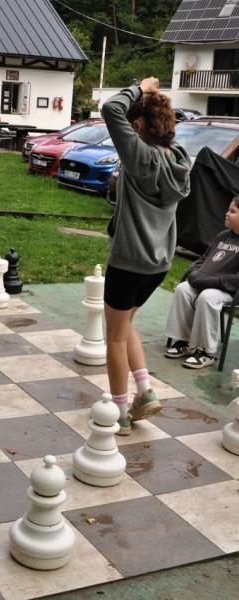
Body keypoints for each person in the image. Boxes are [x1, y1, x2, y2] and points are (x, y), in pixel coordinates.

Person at [101, 78, 191, 435]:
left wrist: (141, 88)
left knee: (114, 336)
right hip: (158, 265)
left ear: (137, 126)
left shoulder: (140, 157)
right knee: (126, 326)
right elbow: (162, 133)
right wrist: (155, 103)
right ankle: (145, 391)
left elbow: (111, 108)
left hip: (128, 263)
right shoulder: (178, 157)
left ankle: (120, 414)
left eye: (132, 126)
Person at [165, 197, 239, 369]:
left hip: (230, 291)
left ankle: (206, 352)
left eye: (233, 211)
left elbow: (236, 280)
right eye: (228, 210)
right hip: (208, 283)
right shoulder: (222, 236)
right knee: (183, 289)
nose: (227, 214)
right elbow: (202, 260)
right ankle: (184, 341)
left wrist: (208, 281)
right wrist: (194, 274)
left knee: (207, 297)